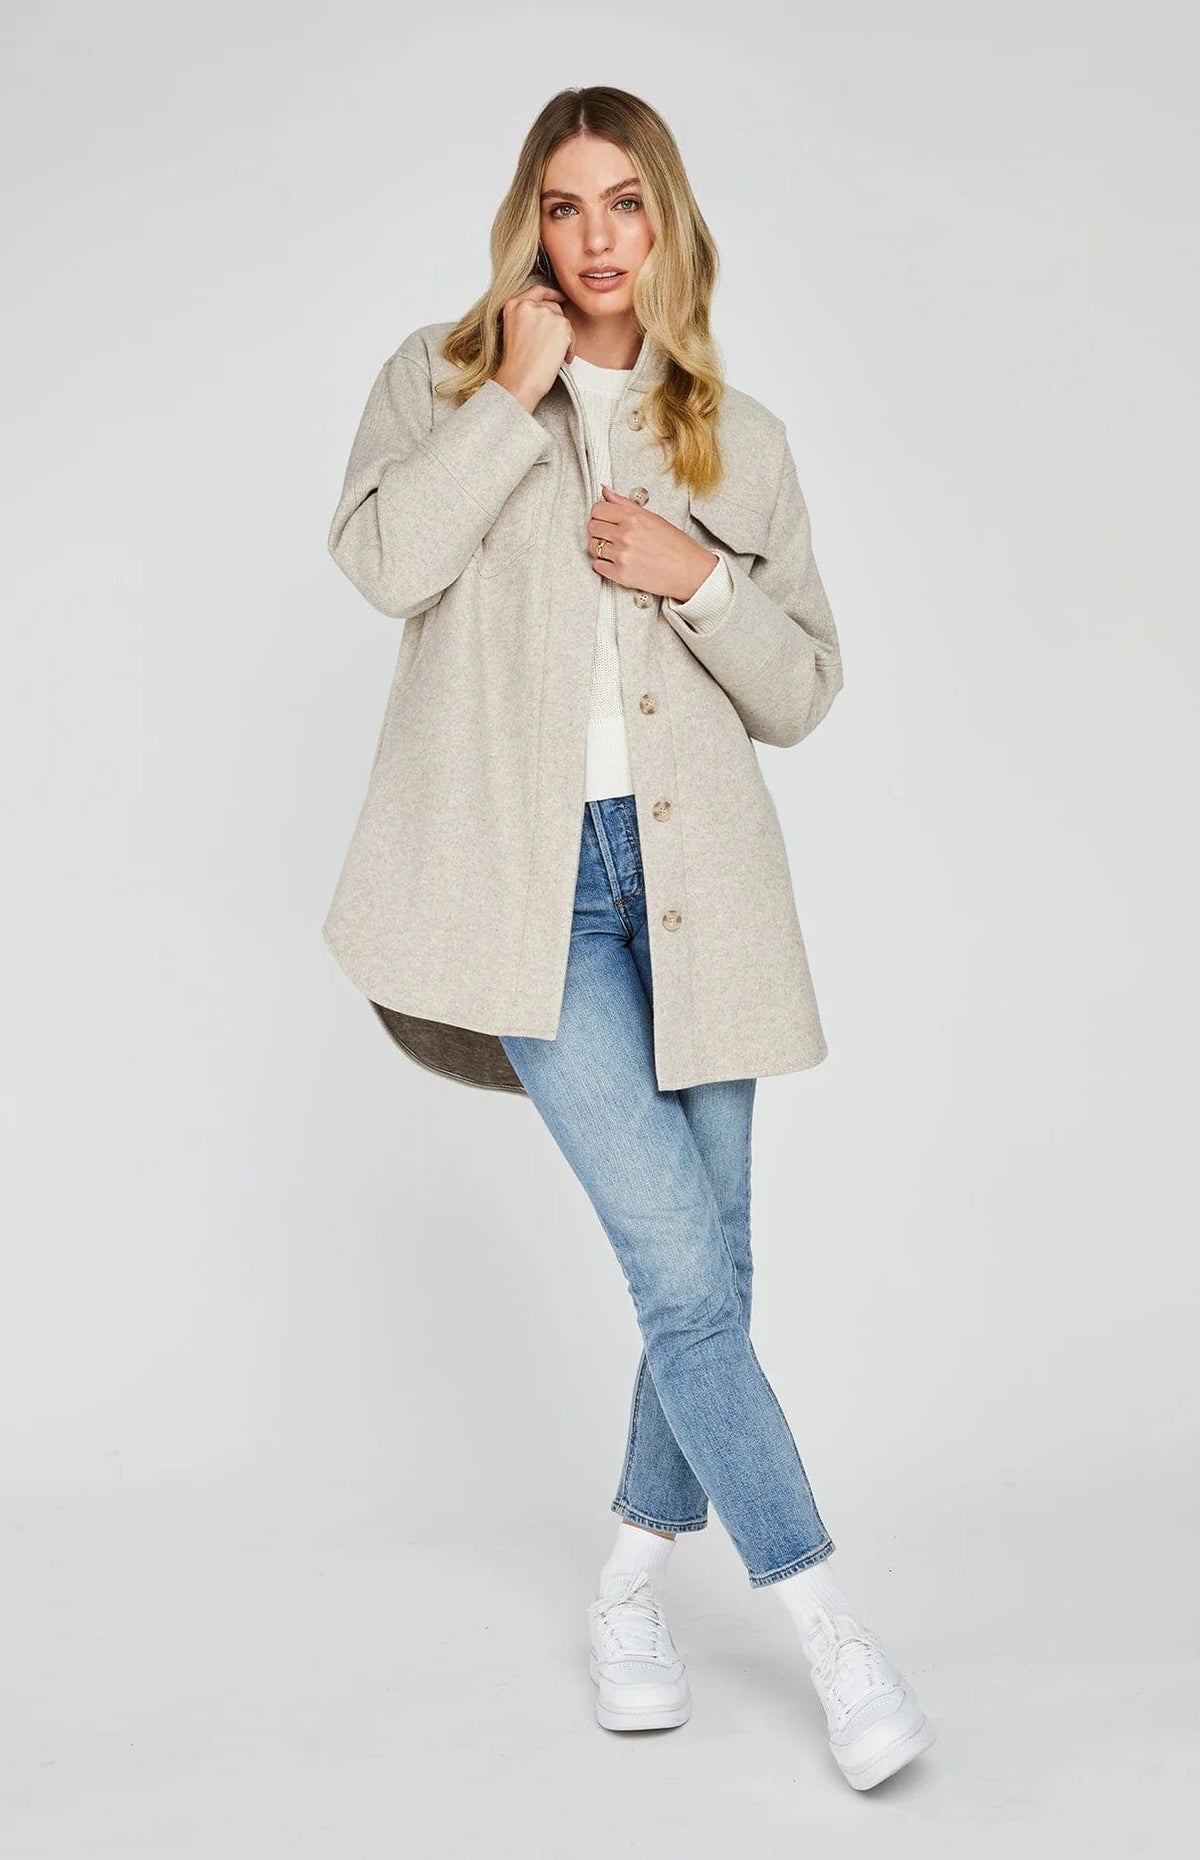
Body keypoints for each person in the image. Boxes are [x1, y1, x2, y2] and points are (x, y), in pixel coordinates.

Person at [323, 86, 936, 1792]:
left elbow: (802, 690)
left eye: (625, 204)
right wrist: (507, 403)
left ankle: (628, 1589)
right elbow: (381, 562)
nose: (595, 237)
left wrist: (698, 576)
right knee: (682, 1266)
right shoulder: (439, 378)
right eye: (564, 203)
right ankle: (831, 1628)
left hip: (702, 892)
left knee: (710, 1273)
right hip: (533, 899)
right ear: (527, 220)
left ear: (668, 223)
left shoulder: (739, 433)